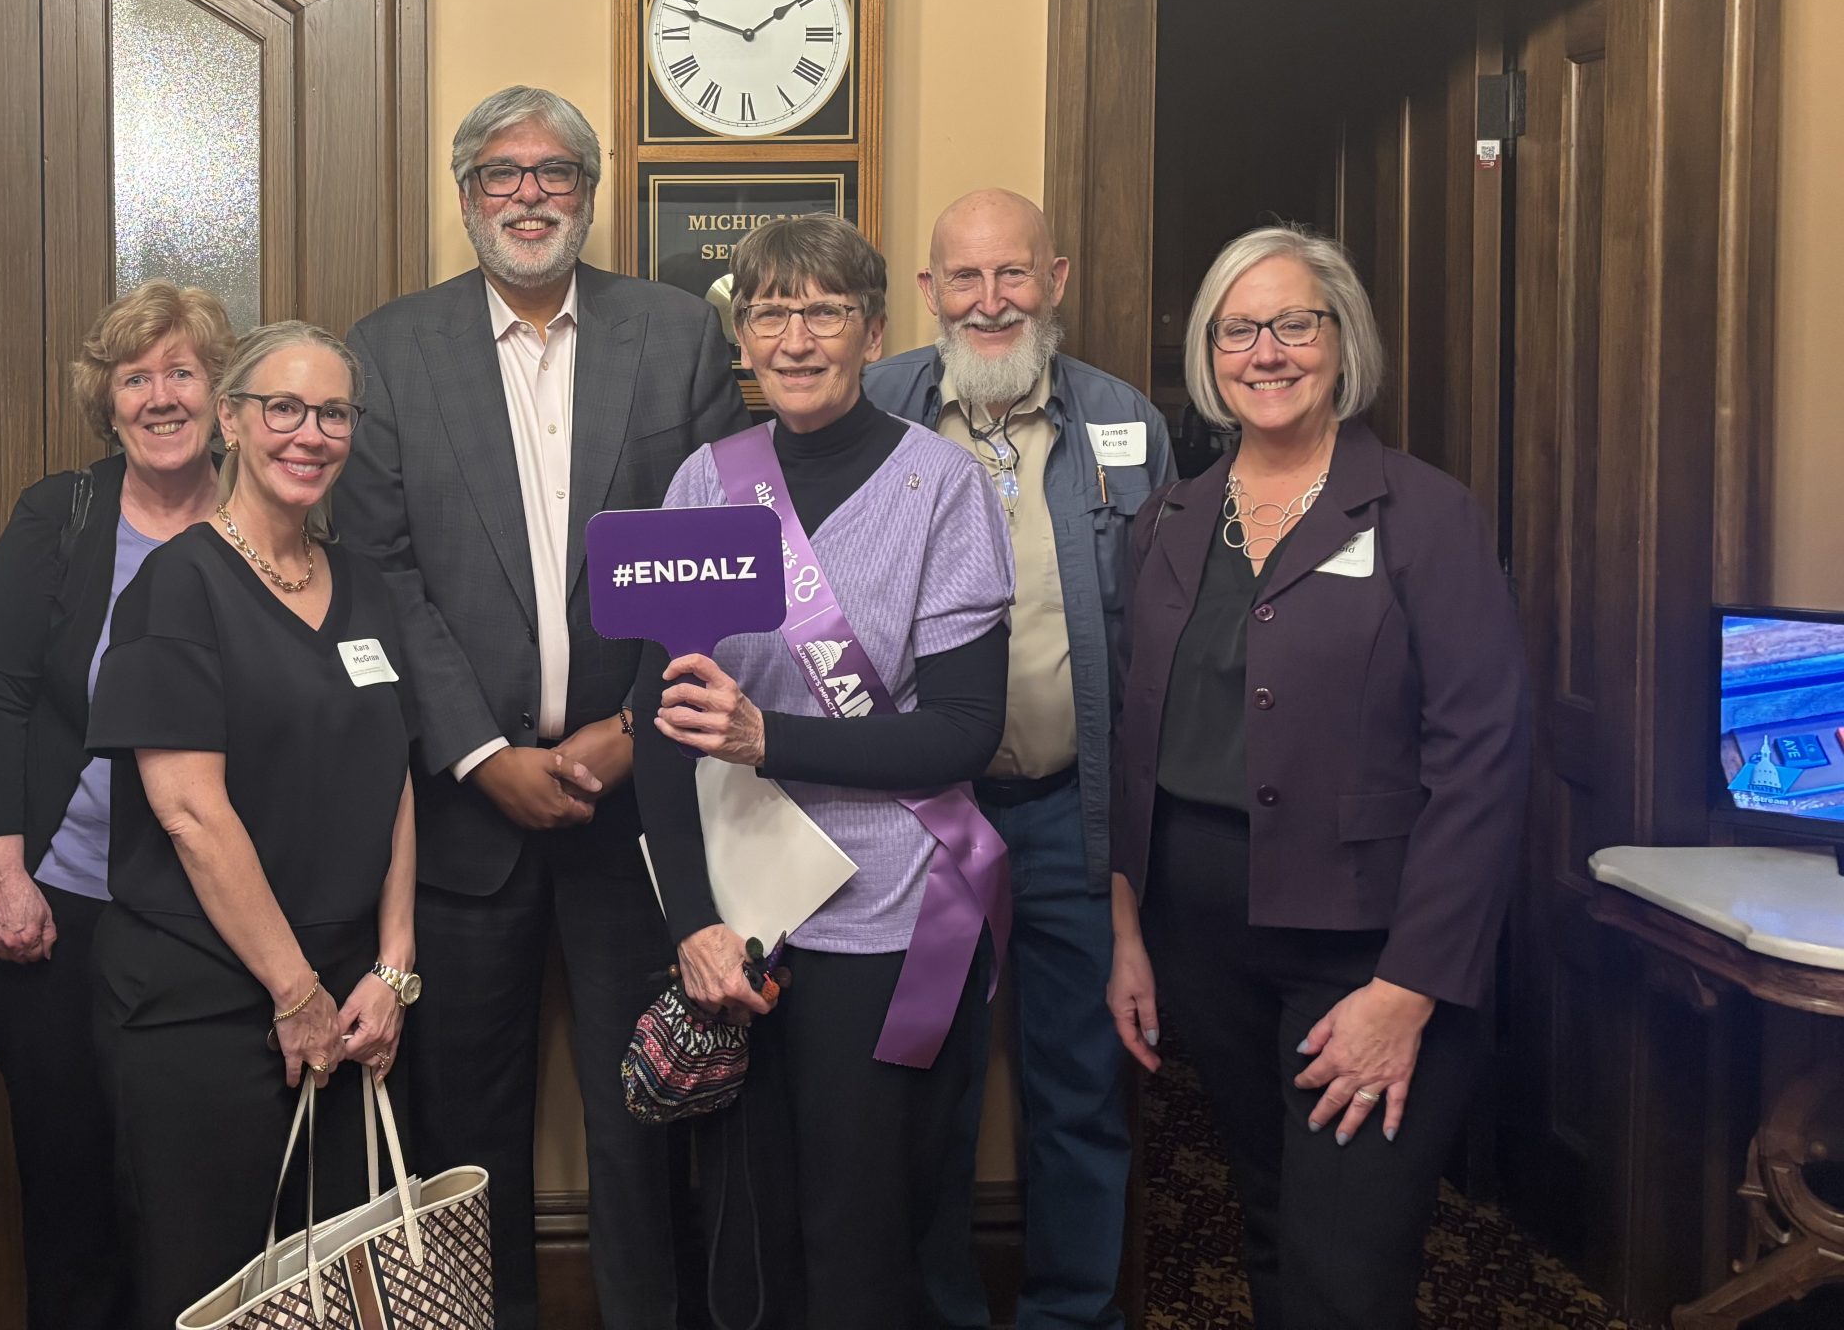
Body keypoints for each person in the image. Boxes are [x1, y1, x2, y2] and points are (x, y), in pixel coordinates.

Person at [334, 85, 747, 1329]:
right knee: (467, 1124)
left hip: (640, 807)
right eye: (500, 173)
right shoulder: (388, 349)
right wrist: (478, 753)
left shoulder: (676, 334)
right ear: (465, 195)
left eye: (553, 170)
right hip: (468, 820)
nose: (528, 193)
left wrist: (628, 729)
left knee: (647, 1118)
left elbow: (717, 552)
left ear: (588, 191)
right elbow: (382, 573)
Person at [1105, 225, 1530, 1330]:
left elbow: (1482, 762)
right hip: (1204, 944)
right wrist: (1126, 928)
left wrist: (1408, 988)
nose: (1267, 352)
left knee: (1348, 1261)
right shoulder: (1169, 521)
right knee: (1269, 1223)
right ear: (1209, 356)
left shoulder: (1426, 515)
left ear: (1343, 342)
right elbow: (1136, 739)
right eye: (1238, 330)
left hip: (1366, 956)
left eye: (1295, 324)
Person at [632, 213, 1015, 1330]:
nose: (795, 339)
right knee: (747, 1223)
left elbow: (962, 731)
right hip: (743, 912)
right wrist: (693, 923)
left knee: (861, 1222)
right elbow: (659, 724)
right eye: (769, 313)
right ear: (742, 337)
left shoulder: (942, 486)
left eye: (824, 312)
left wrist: (772, 738)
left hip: (887, 916)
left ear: (874, 331)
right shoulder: (705, 482)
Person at [867, 189, 1170, 1330]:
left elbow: (1159, 633)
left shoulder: (1125, 423)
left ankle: (1070, 1315)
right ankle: (938, 1314)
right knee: (924, 1095)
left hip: (1068, 817)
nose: (990, 301)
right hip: (919, 821)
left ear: (1056, 279)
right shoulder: (874, 409)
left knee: (1079, 1092)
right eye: (965, 276)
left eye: (1013, 274)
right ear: (928, 291)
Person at [87, 321, 420, 1330]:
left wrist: (394, 965)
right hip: (205, 1004)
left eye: (332, 413)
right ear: (230, 421)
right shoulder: (176, 585)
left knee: (340, 1298)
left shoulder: (366, 586)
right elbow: (190, 813)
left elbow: (396, 777)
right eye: (283, 407)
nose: (309, 434)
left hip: (351, 1005)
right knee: (215, 1291)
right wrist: (293, 992)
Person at [0, 281, 235, 1330]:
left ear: (223, 395)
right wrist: (2, 873)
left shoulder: (272, 519)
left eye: (183, 372)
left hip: (217, 924)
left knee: (198, 1194)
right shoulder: (62, 515)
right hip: (60, 911)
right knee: (70, 1193)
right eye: (134, 377)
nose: (161, 397)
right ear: (107, 403)